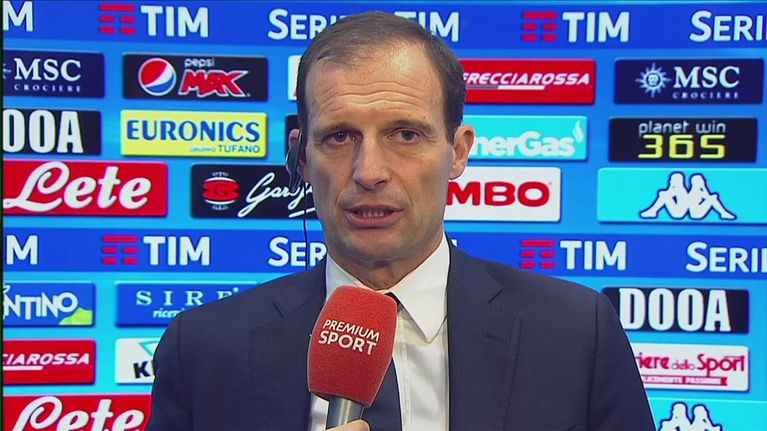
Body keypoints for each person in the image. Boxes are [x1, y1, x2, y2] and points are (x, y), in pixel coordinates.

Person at [148, 11, 655, 431]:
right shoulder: (204, 350)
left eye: (405, 135)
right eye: (340, 137)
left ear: (458, 152)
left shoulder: (575, 332)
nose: (369, 172)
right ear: (302, 159)